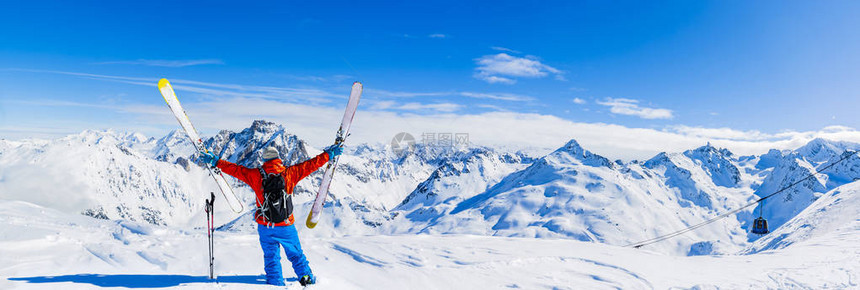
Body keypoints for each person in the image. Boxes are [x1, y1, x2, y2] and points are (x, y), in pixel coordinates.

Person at [200, 144, 343, 286]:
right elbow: (311, 165)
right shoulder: (290, 173)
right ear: (278, 159)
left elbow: (235, 170)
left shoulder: (255, 175)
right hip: (286, 226)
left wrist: (216, 161)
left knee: (271, 257)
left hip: (265, 225)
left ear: (264, 160)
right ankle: (306, 277)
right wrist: (329, 154)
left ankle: (275, 283)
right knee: (296, 254)